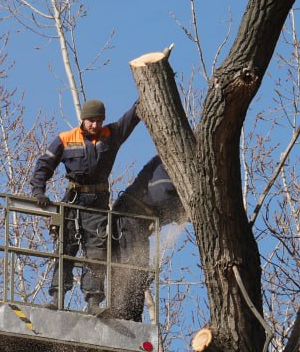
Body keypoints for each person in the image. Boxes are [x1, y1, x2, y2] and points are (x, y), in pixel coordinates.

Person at [30, 98, 143, 312]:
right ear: (83, 119)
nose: (96, 125)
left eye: (99, 120)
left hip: (97, 206)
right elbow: (44, 165)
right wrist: (38, 191)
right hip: (73, 204)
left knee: (96, 254)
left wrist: (141, 102)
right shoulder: (65, 139)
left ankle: (93, 302)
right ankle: (57, 298)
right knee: (66, 249)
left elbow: (131, 118)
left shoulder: (111, 135)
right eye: (91, 120)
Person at [111, 156, 185, 321]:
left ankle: (133, 314)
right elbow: (163, 196)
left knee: (140, 269)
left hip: (136, 222)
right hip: (129, 217)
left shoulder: (167, 164)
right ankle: (122, 312)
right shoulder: (167, 164)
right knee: (132, 265)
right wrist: (187, 210)